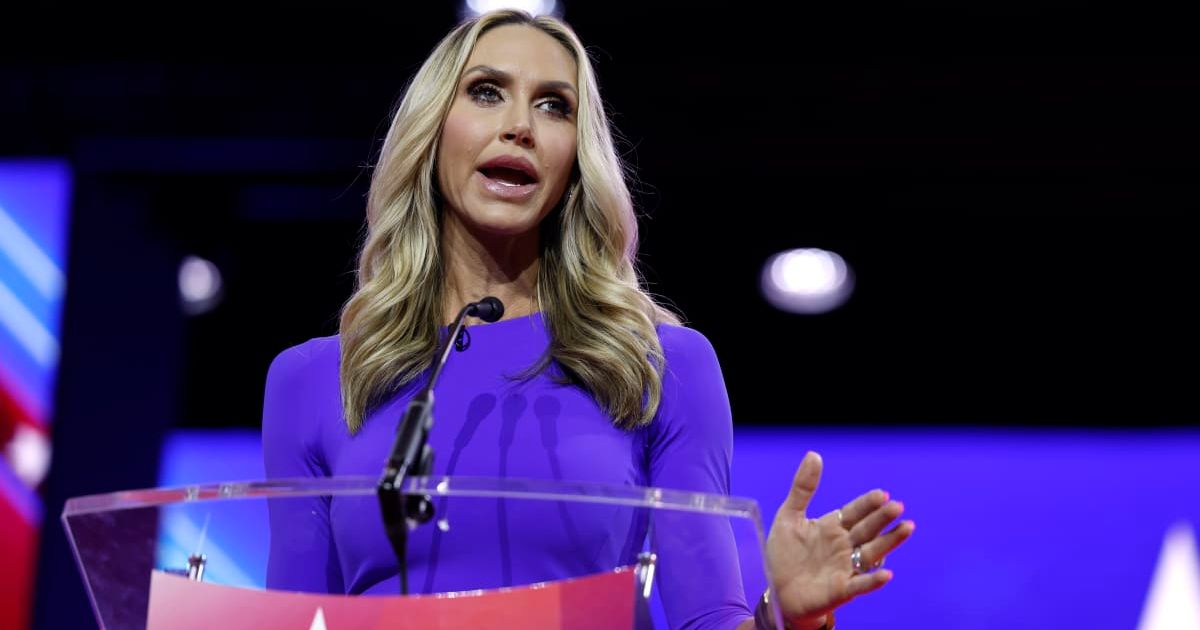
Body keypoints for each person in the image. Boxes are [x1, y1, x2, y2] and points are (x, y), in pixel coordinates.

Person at [261, 9, 914, 630]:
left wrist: (779, 615)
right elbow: (292, 621)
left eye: (554, 106)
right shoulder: (316, 379)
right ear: (431, 132)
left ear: (576, 157)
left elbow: (708, 619)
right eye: (486, 92)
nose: (520, 125)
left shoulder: (661, 364)